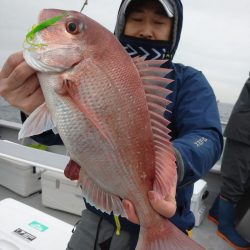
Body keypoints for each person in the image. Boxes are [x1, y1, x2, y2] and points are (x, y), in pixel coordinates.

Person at [0, 0, 223, 249]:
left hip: (167, 218)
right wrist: (29, 108)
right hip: (98, 221)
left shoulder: (189, 81)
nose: (146, 30)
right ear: (121, 24)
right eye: (137, 19)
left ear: (174, 31)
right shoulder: (84, 72)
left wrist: (172, 165)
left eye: (159, 22)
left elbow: (208, 137)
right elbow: (58, 134)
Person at [208, 75, 250, 250]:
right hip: (244, 134)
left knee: (241, 180)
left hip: (243, 133)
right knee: (235, 180)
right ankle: (224, 228)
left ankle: (216, 213)